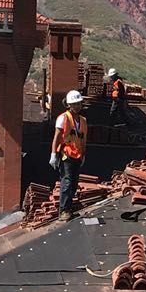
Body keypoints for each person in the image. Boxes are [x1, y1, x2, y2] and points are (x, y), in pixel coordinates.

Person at [50, 90, 88, 222]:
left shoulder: (83, 120)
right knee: (66, 182)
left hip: (77, 155)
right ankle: (64, 211)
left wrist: (83, 155)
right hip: (66, 154)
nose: (77, 106)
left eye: (78, 103)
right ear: (69, 105)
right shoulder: (63, 118)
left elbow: (83, 139)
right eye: (74, 104)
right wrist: (53, 154)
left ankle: (69, 208)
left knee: (73, 183)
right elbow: (56, 137)